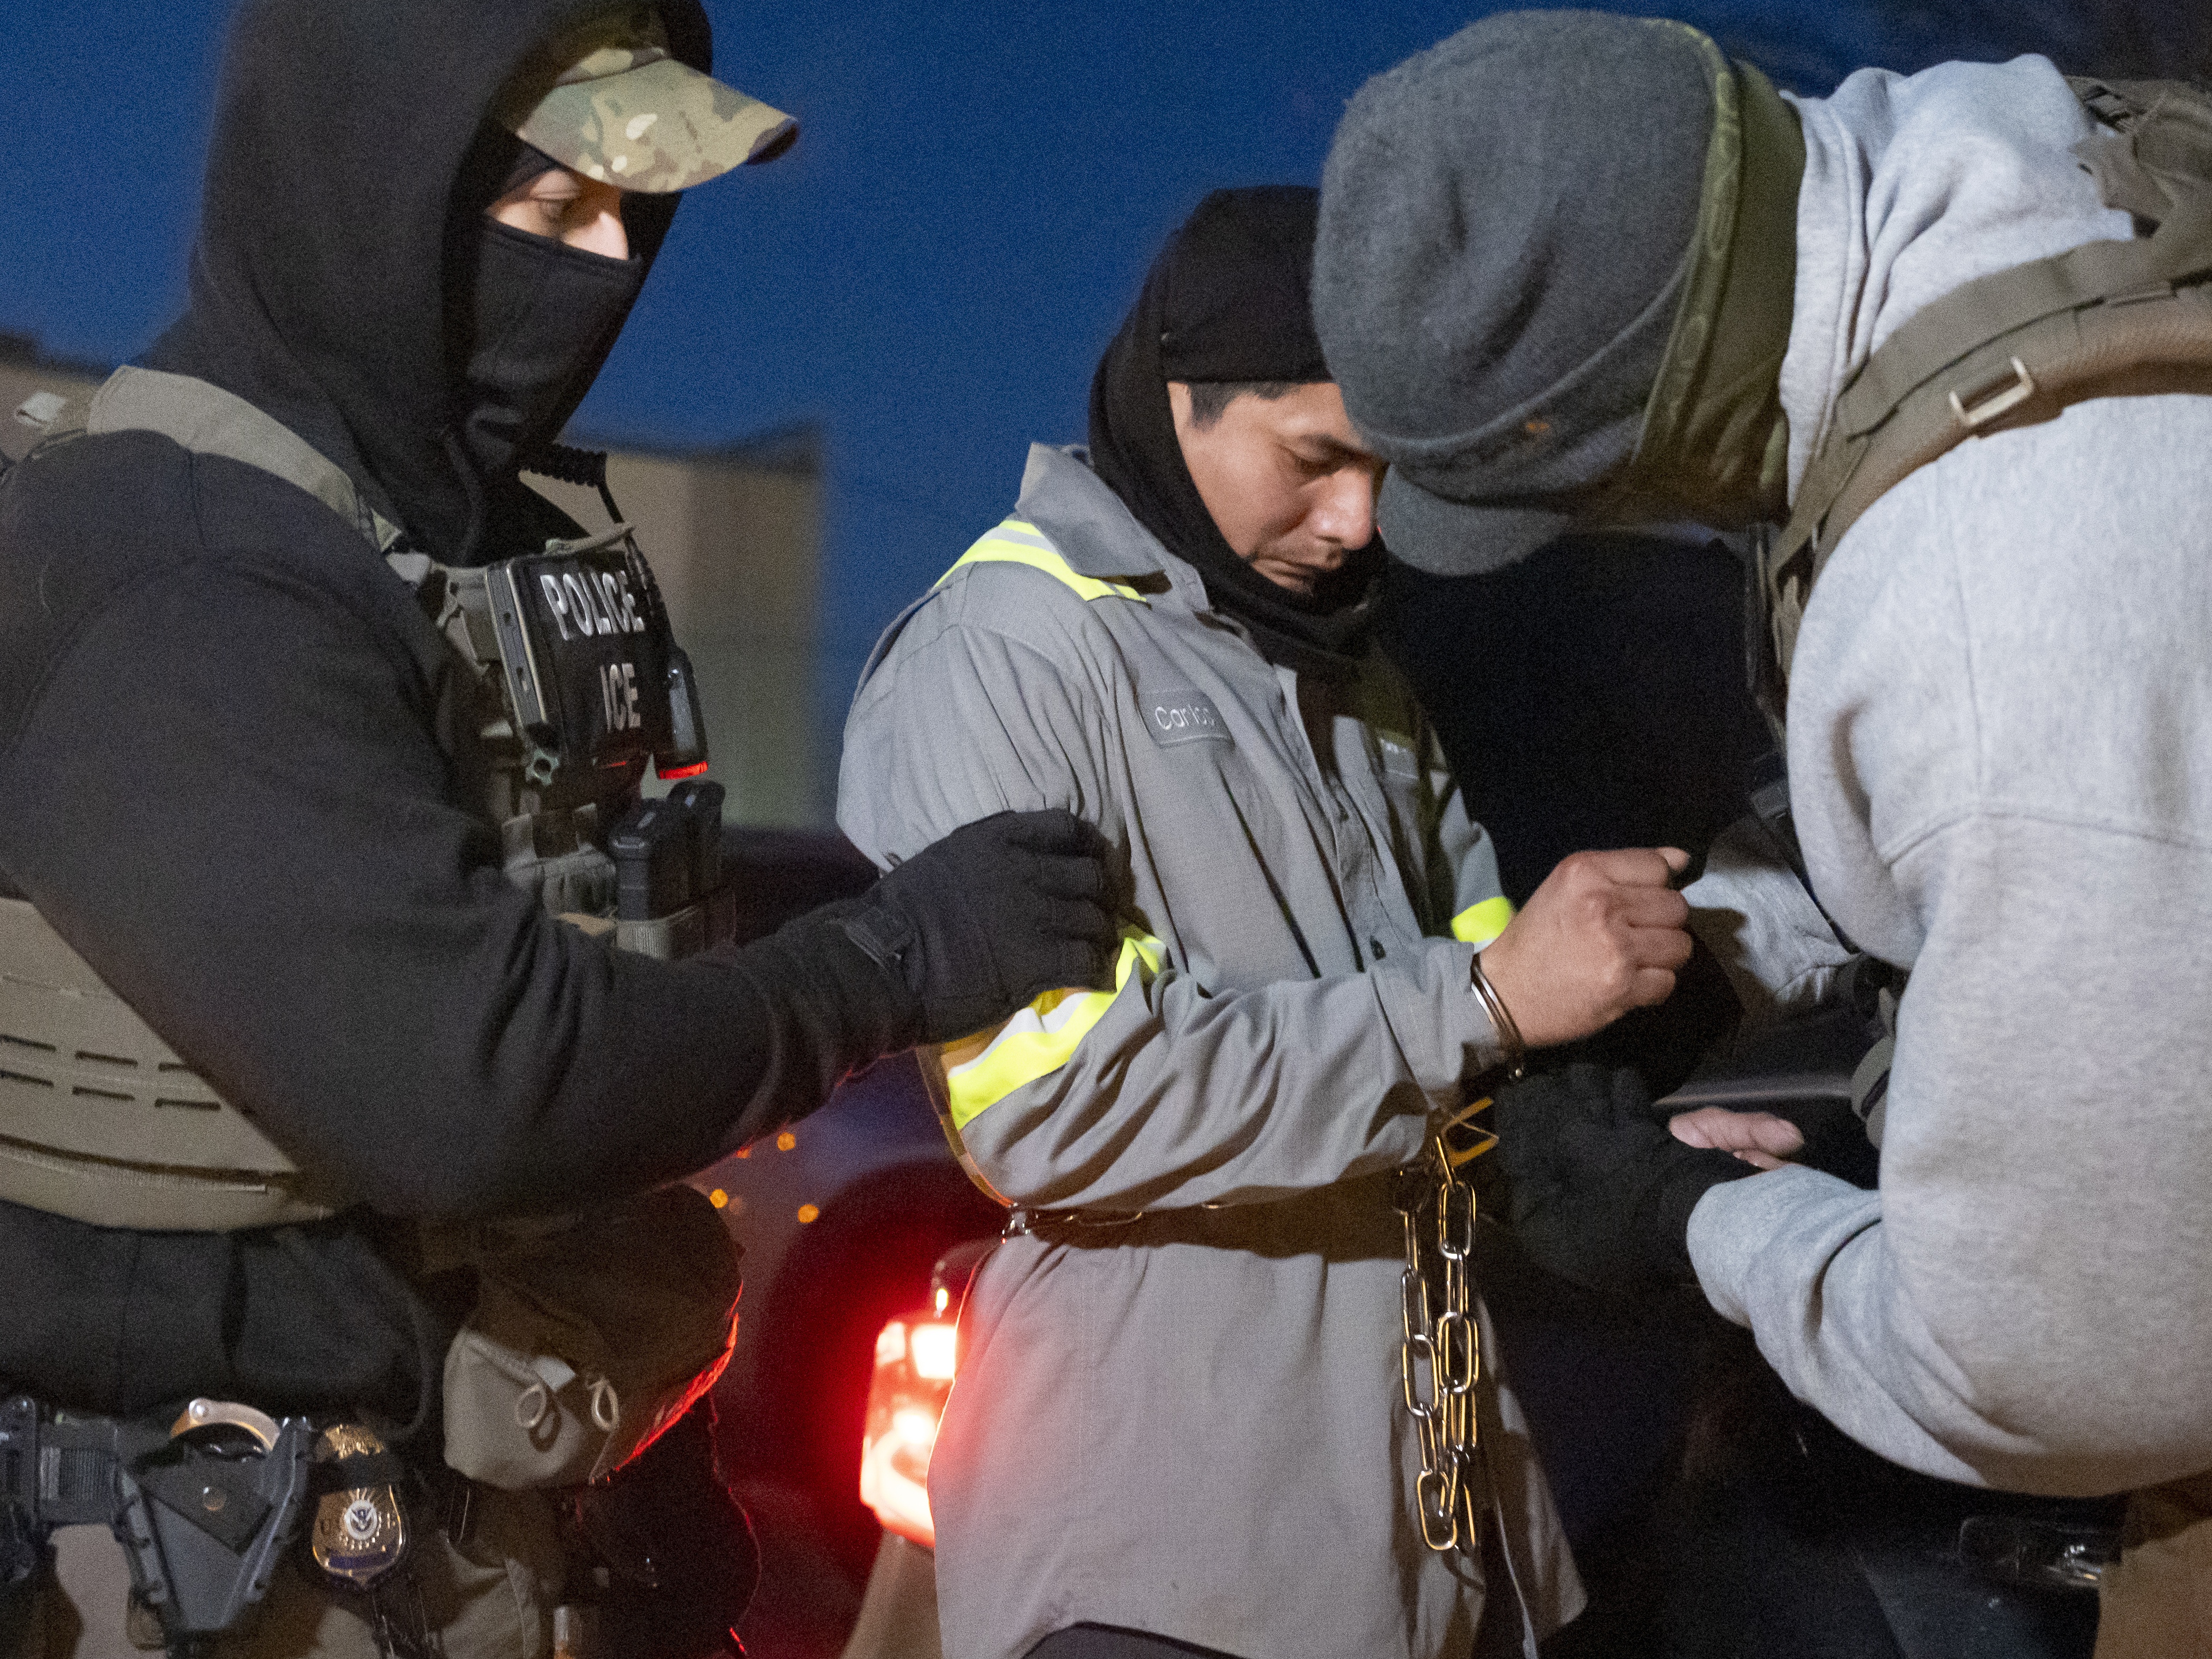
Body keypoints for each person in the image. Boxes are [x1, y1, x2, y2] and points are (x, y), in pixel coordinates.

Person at [0, 2, 1117, 1654]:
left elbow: (620, 966)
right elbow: (481, 1087)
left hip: (470, 1522)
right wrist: (898, 955)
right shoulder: (181, 561)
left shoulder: (458, 541)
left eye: (634, 216)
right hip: (200, 1571)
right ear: (367, 185)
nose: (604, 266)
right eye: (545, 205)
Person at [1311, 13, 2212, 1655]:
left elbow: (2058, 1373)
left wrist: (1697, 1221)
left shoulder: (1982, 600)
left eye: (1578, 477)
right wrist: (1721, 952)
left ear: (1652, 387)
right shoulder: (2021, 179)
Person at [838, 187, 1708, 1659]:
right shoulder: (1006, 652)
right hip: (1164, 1562)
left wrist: (1603, 1141)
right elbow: (1055, 1107)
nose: (1358, 519)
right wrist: (1483, 1000)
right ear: (1182, 399)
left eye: (1385, 471)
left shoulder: (1342, 664)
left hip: (1443, 1530)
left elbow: (1474, 1032)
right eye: (1314, 461)